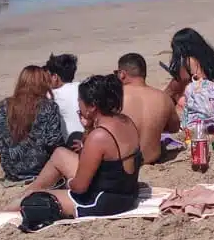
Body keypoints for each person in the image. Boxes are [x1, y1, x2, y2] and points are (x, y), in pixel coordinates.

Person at [22, 74, 142, 219]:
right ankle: (28, 191)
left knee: (33, 200)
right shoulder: (126, 121)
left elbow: (80, 188)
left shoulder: (99, 136)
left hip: (103, 202)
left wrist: (69, 182)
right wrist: (87, 128)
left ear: (92, 106)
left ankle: (6, 209)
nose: (78, 104)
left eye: (80, 100)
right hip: (126, 192)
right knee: (60, 153)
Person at [0, 65, 69, 181]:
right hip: (42, 172)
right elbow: (54, 142)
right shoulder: (48, 107)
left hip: (12, 174)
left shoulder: (4, 106)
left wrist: (3, 150)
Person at [163, 28, 214, 140]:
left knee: (174, 97)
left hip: (202, 116)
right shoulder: (213, 59)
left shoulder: (188, 62)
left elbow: (171, 90)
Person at [116, 52, 179, 164]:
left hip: (124, 164)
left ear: (122, 74)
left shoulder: (115, 97)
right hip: (152, 159)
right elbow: (174, 128)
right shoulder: (163, 98)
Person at [44, 53, 84, 142]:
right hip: (89, 139)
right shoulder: (83, 86)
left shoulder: (51, 95)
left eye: (47, 76)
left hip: (71, 144)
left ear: (55, 77)